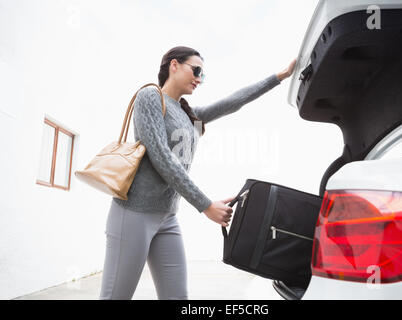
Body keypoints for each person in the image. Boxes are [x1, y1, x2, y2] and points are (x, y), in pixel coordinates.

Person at [99, 46, 296, 300]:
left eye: (203, 75)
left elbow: (234, 102)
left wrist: (279, 77)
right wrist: (206, 206)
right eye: (196, 70)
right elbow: (162, 159)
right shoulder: (150, 96)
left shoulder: (190, 115)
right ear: (174, 65)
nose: (199, 79)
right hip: (133, 214)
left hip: (167, 219)